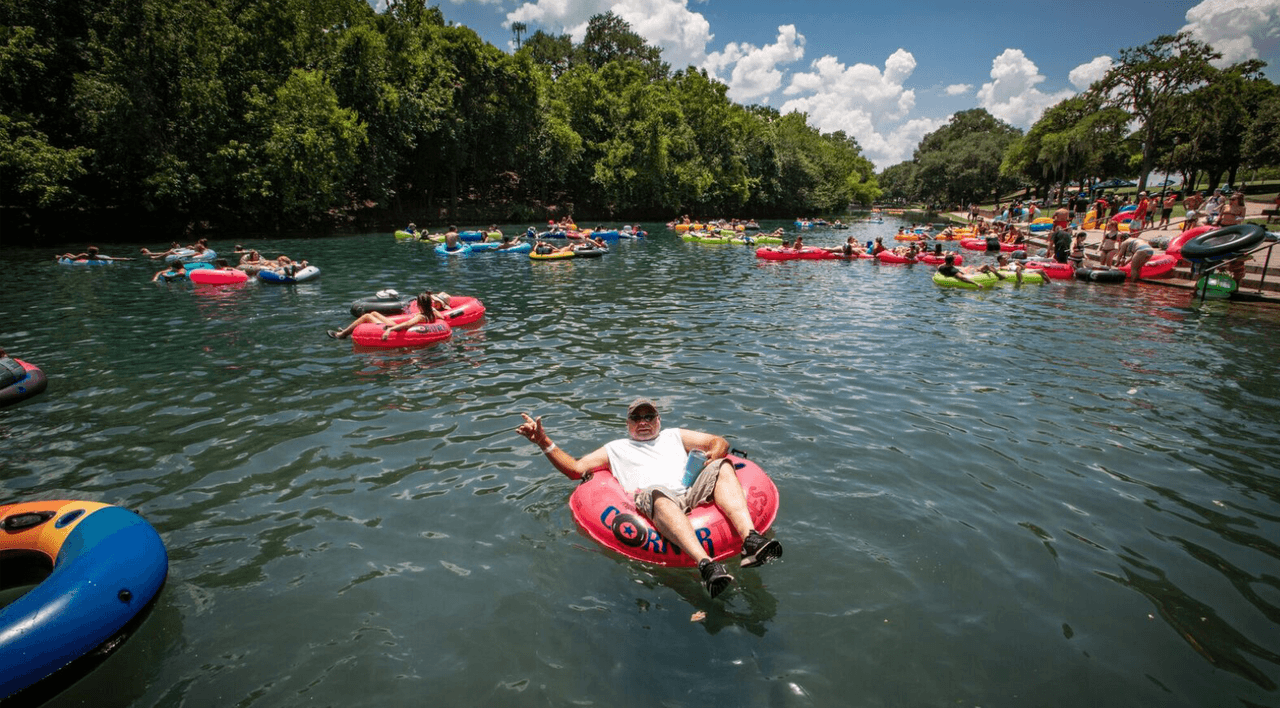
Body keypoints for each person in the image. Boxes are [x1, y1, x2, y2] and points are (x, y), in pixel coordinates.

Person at [515, 399, 783, 598]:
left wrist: (713, 454)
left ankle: (751, 540)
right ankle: (707, 566)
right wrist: (543, 441)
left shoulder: (673, 436)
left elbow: (718, 441)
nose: (643, 422)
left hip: (691, 490)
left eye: (648, 416)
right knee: (656, 493)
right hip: (657, 500)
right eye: (636, 417)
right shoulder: (615, 449)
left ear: (658, 419)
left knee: (723, 466)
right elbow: (575, 469)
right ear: (628, 424)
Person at [328, 291, 442, 340]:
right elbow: (442, 317)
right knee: (374, 313)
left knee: (367, 316)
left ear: (419, 304)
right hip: (399, 326)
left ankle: (342, 334)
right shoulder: (432, 314)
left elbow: (407, 324)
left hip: (397, 329)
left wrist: (390, 330)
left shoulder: (421, 317)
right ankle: (346, 331)